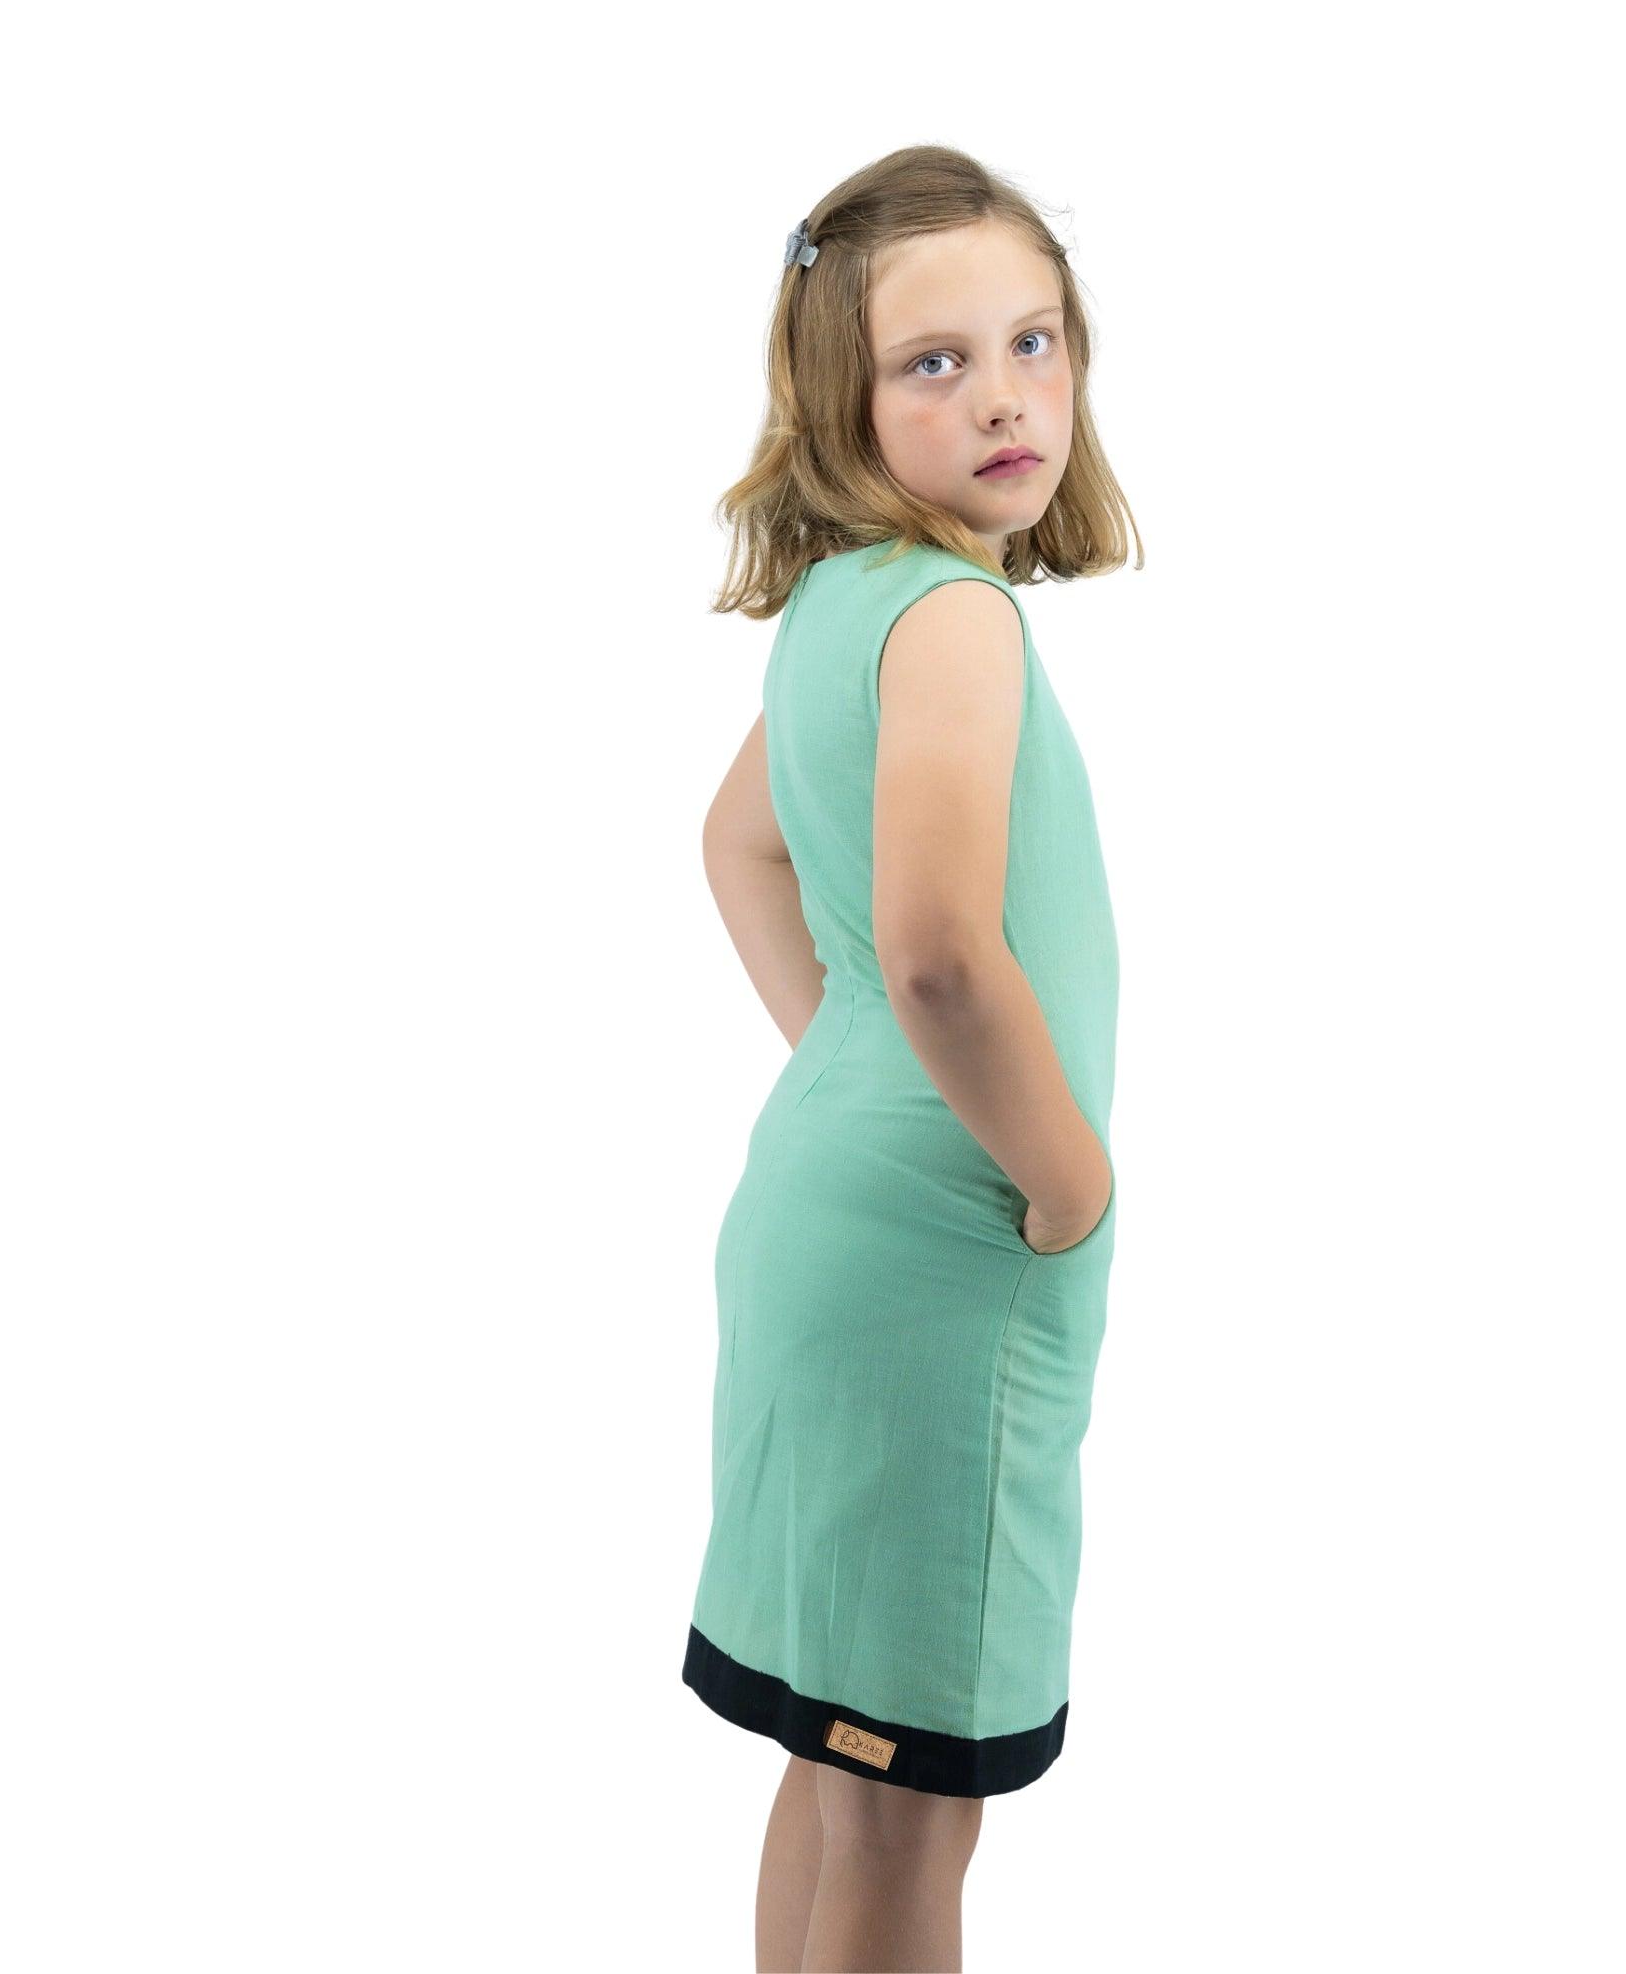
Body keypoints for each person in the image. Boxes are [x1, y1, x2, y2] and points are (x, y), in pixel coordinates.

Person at [683, 143, 1142, 1972]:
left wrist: (851, 1061)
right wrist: (1064, 1178)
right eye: (932, 363)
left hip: (834, 1205)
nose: (1004, 394)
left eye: (1033, 341)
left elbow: (741, 846)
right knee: (909, 1807)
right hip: (939, 1262)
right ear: (841, 404)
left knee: (835, 1749)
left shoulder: (840, 610)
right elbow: (943, 954)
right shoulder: (953, 621)